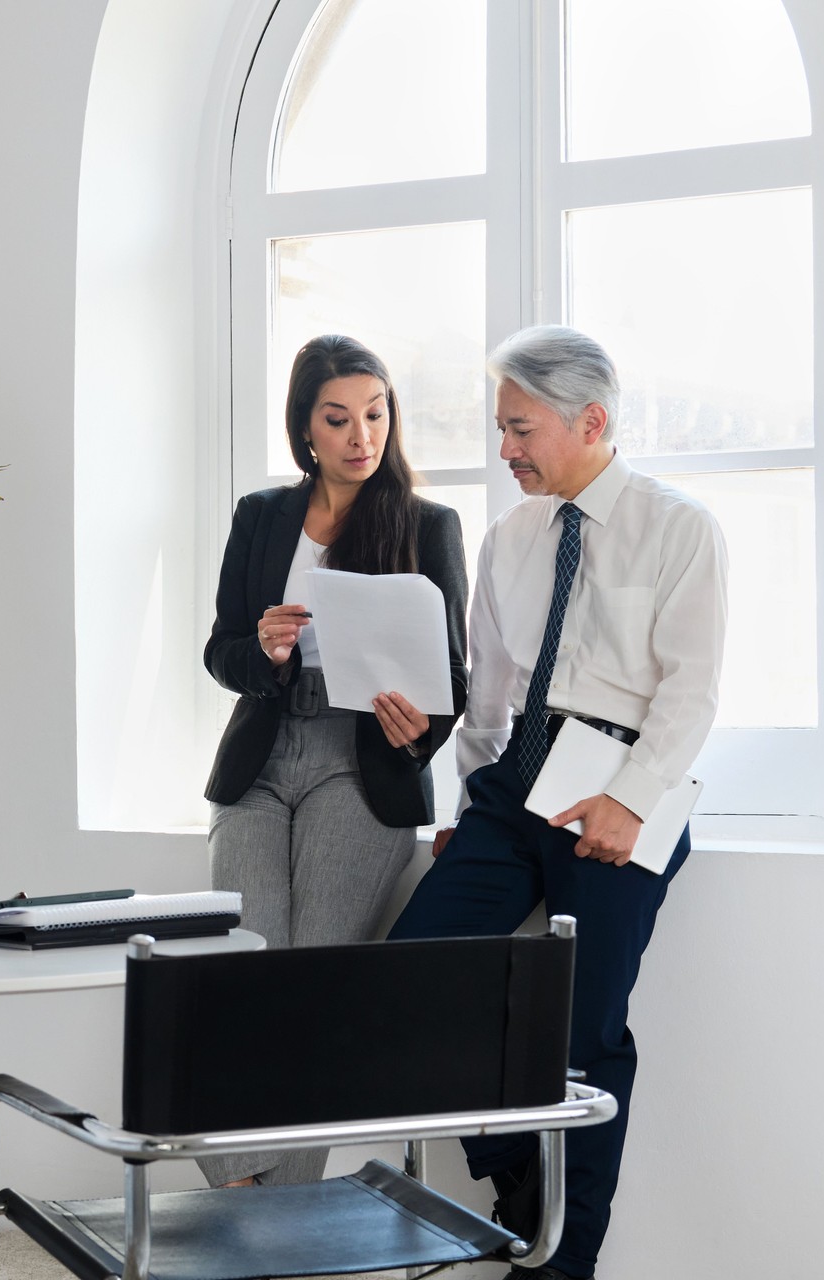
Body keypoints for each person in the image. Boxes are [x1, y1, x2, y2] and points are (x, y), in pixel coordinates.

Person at [388, 326, 728, 1280]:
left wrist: (630, 799)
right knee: (412, 986)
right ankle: (526, 1198)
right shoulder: (510, 538)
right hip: (511, 792)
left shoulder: (680, 529)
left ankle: (562, 1265)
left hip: (618, 788)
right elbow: (490, 690)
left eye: (520, 428)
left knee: (583, 1035)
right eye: (500, 429)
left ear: (592, 419)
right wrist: (470, 804)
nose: (506, 450)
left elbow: (690, 691)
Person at [202, 333, 469, 1187]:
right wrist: (266, 649)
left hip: (363, 764)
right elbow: (220, 652)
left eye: (377, 414)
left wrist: (415, 729)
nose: (363, 436)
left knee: (312, 983)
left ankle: (268, 1214)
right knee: (243, 975)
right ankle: (245, 1195)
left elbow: (451, 679)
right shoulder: (261, 516)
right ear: (305, 428)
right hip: (264, 753)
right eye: (339, 418)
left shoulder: (428, 525)